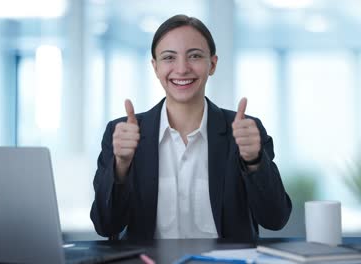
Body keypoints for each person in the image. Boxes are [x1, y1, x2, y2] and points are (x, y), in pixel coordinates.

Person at [90, 14, 291, 240]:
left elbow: (275, 219)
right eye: (169, 58)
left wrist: (254, 161)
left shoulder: (244, 131)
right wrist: (121, 166)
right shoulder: (123, 133)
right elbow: (106, 225)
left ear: (212, 64)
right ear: (155, 67)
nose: (182, 69)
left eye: (194, 56)